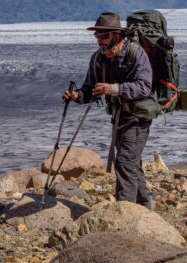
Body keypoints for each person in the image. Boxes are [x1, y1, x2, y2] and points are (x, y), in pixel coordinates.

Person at [62, 12, 155, 207]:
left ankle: (125, 210)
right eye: (97, 36)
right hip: (118, 116)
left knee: (125, 160)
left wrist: (113, 89)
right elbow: (89, 89)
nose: (99, 40)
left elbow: (144, 87)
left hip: (138, 116)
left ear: (117, 35)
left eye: (104, 36)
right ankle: (144, 203)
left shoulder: (136, 53)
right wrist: (77, 96)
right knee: (131, 160)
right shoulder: (98, 58)